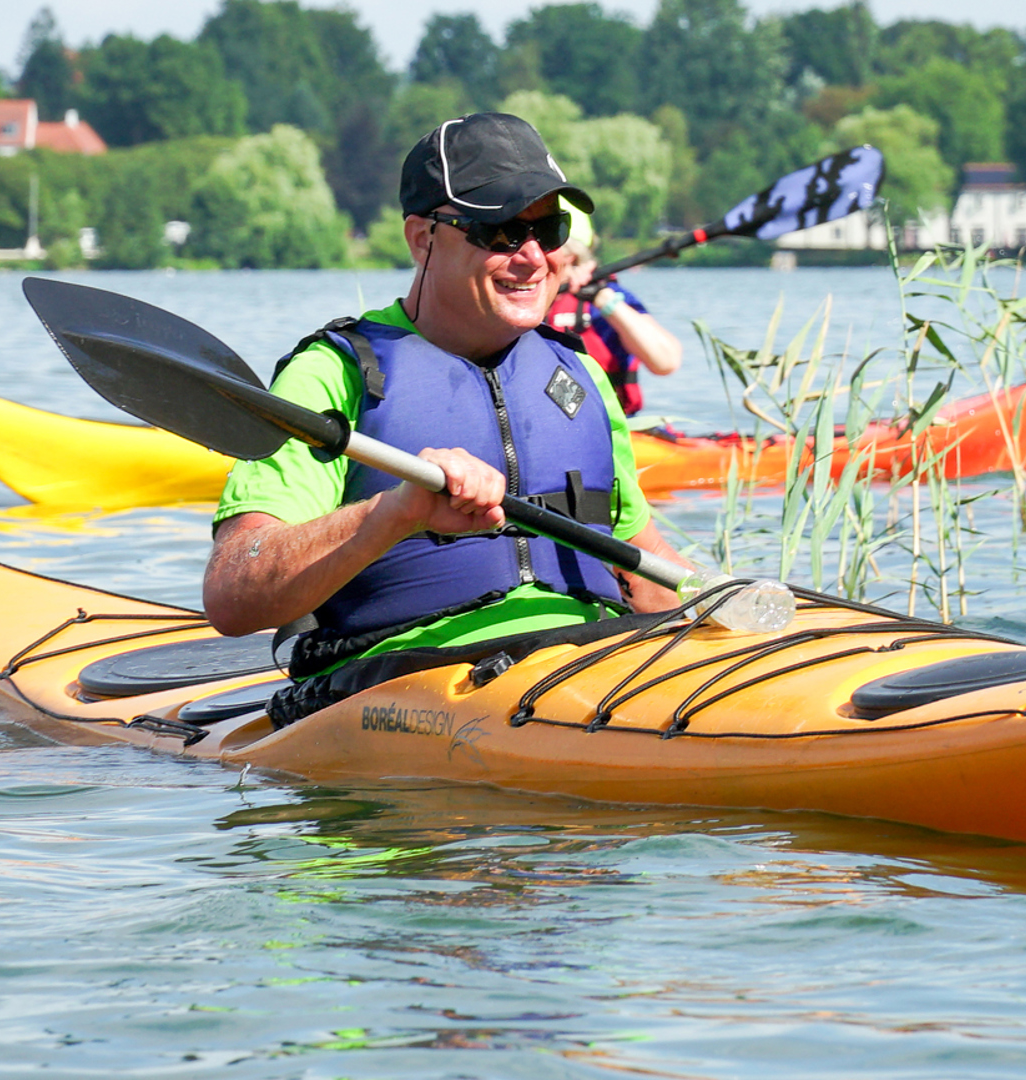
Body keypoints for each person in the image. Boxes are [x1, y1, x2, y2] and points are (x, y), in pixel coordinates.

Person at [202, 113, 690, 722]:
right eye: (502, 232)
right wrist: (395, 511)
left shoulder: (580, 375)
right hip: (407, 688)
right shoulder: (338, 374)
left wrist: (735, 614)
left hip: (595, 667)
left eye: (549, 228)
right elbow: (232, 597)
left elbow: (645, 572)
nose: (534, 258)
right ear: (421, 238)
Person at [545, 207, 683, 417]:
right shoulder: (519, 301)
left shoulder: (609, 298)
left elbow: (666, 361)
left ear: (570, 257)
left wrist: (603, 299)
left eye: (543, 243)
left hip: (611, 427)